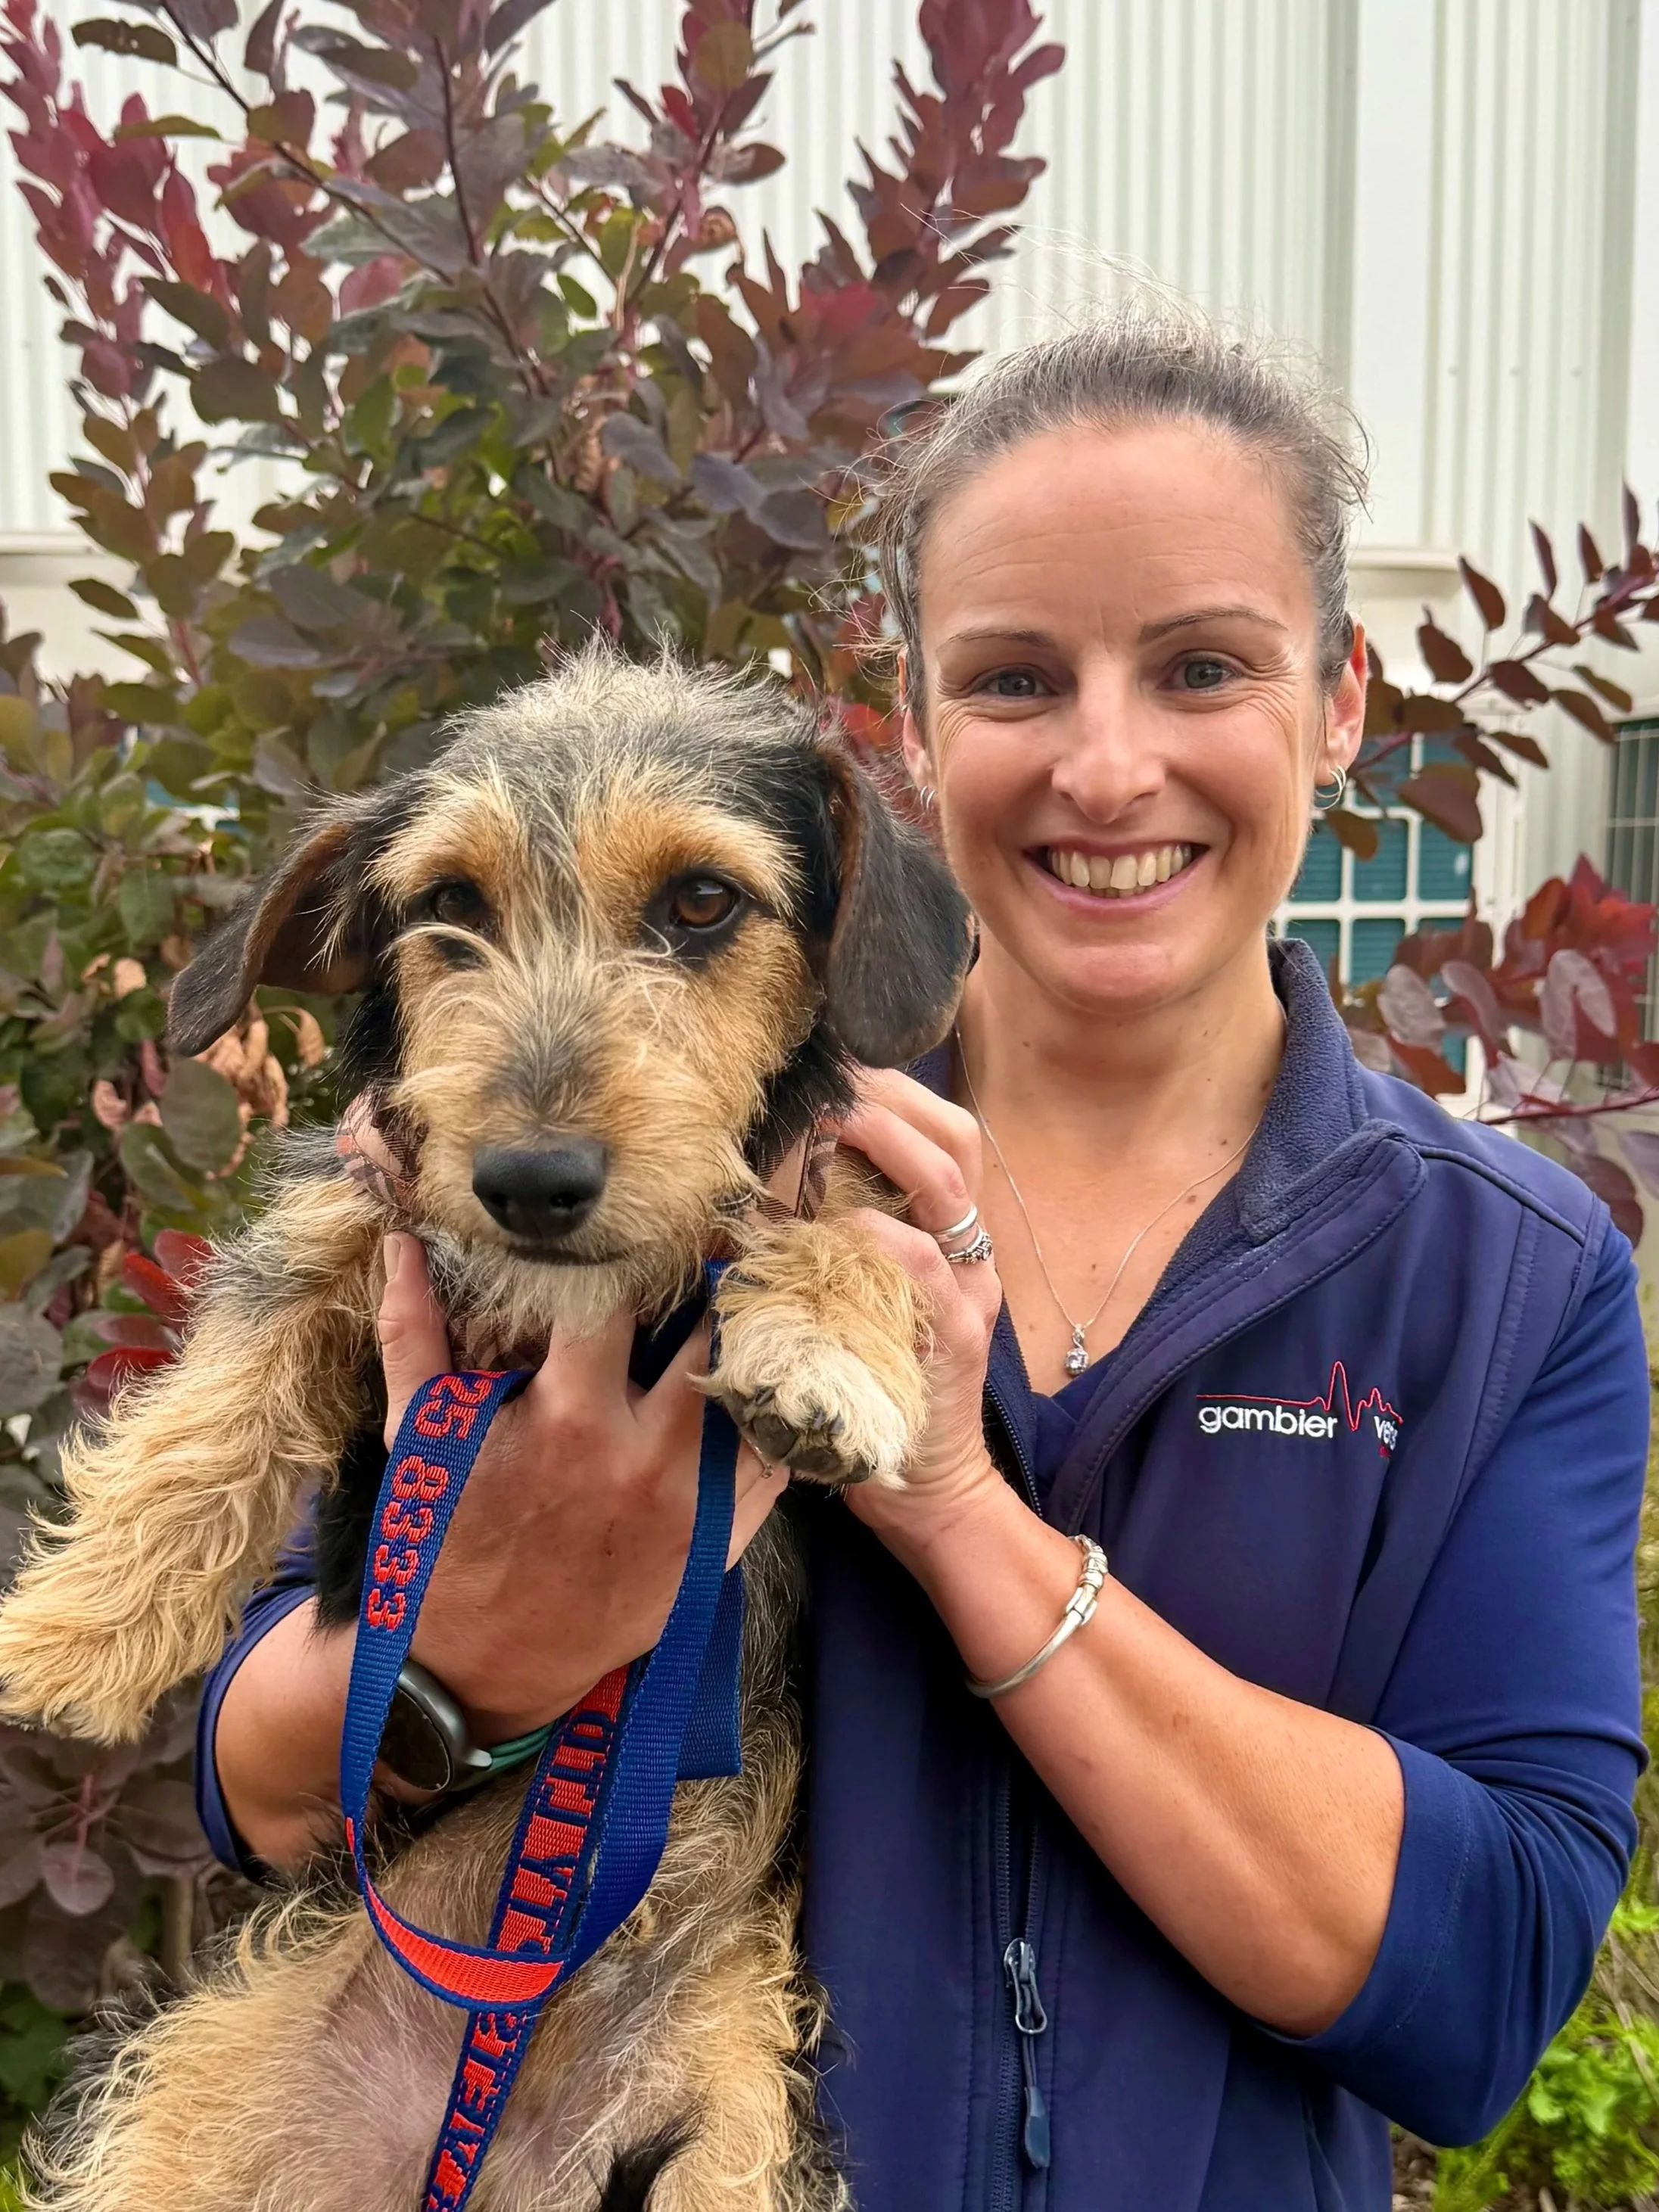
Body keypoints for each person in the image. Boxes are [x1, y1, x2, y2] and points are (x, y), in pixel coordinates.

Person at [201, 309, 1649, 2212]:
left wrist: (960, 1509)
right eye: (1018, 678)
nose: (1107, 768)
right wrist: (469, 1651)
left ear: (1338, 701)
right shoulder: (664, 1179)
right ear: (911, 724)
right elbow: (254, 1790)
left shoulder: (1503, 1277)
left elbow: (1480, 1987)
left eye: (1204, 665)